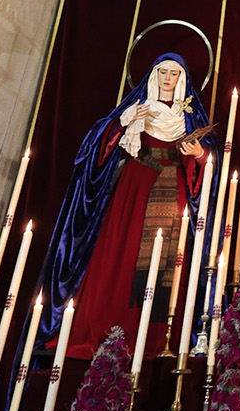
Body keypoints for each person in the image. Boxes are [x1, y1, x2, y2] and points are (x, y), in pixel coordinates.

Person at [37, 53, 221, 360]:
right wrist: (123, 123)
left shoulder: (189, 116)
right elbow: (95, 145)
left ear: (182, 79)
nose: (167, 78)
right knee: (122, 251)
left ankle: (156, 338)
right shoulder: (137, 108)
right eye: (162, 72)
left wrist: (200, 154)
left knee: (165, 262)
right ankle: (108, 328)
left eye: (174, 73)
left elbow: (210, 162)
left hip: (172, 191)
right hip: (134, 188)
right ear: (153, 75)